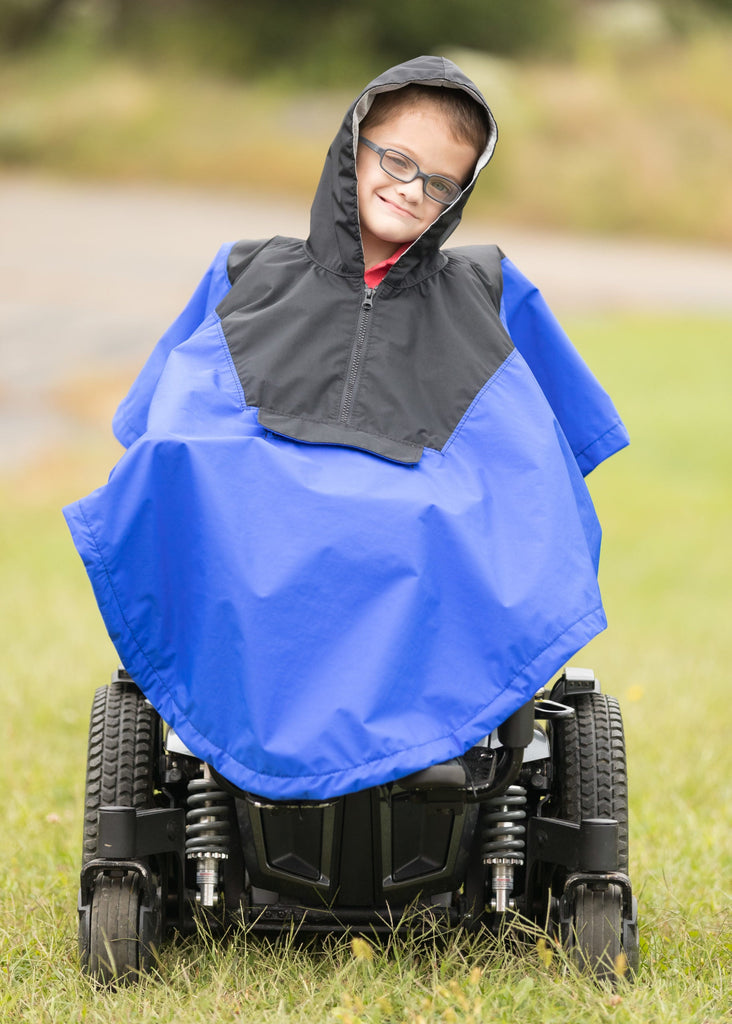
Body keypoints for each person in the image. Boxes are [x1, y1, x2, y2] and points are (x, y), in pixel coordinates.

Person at [64, 56, 628, 801]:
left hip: (425, 522)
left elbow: (547, 454)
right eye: (396, 159)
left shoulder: (487, 290)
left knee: (463, 525)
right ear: (352, 145)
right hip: (257, 516)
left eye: (440, 181)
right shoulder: (248, 274)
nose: (411, 188)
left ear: (460, 196)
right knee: (183, 478)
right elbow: (163, 430)